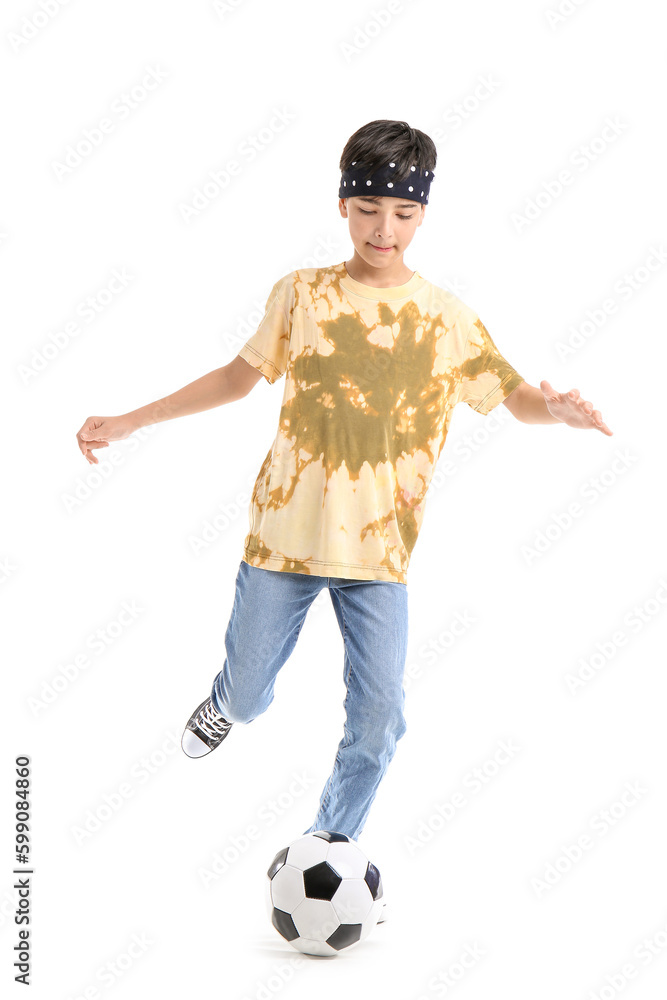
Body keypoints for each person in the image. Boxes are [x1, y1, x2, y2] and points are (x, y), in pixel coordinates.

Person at [75, 118, 612, 851]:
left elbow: (513, 396)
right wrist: (133, 420)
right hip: (284, 538)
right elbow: (238, 378)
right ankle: (226, 702)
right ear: (342, 205)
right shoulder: (301, 295)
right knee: (252, 693)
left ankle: (331, 843)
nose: (383, 228)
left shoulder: (446, 319)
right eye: (367, 210)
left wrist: (554, 412)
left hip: (378, 556)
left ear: (423, 213)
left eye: (402, 213)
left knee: (380, 712)